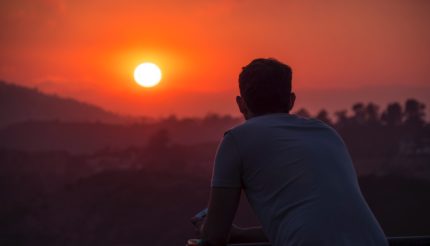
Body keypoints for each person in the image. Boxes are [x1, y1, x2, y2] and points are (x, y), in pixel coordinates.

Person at [198, 58, 388, 246]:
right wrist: (241, 235)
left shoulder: (236, 139)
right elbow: (319, 225)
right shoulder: (326, 133)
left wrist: (205, 228)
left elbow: (215, 236)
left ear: (241, 103)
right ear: (291, 101)